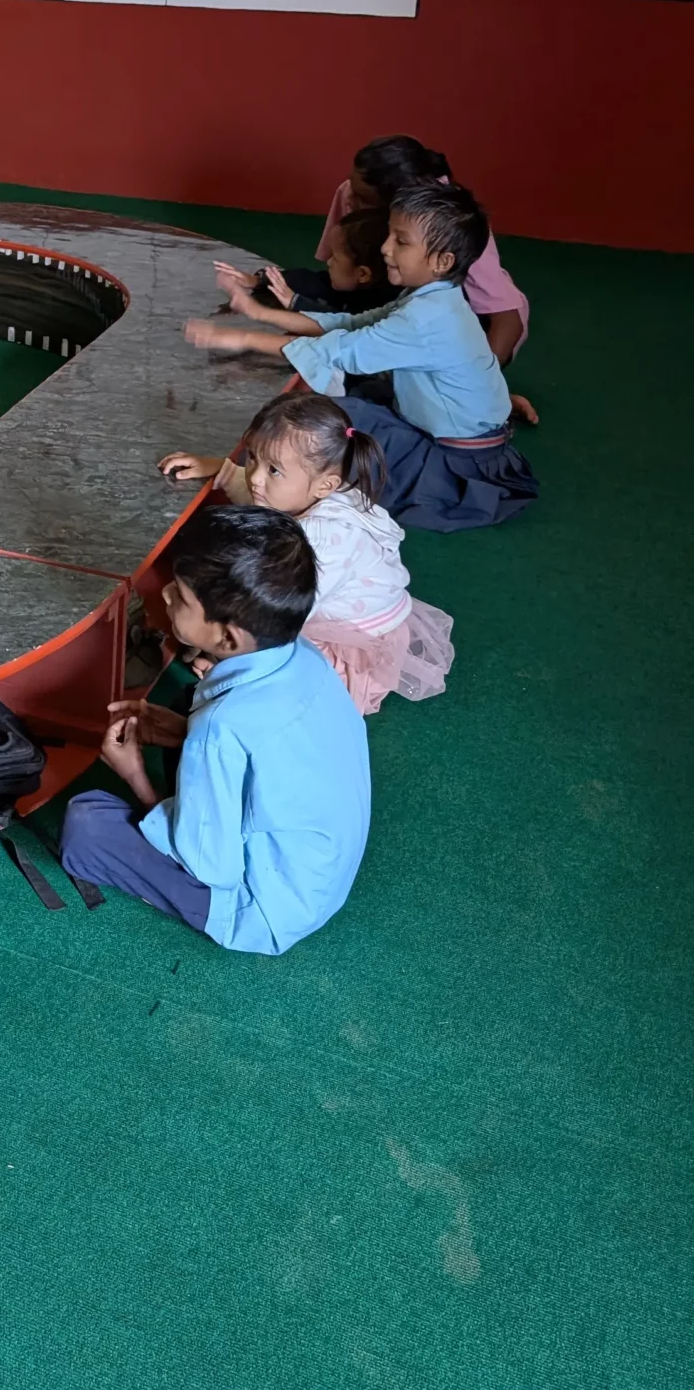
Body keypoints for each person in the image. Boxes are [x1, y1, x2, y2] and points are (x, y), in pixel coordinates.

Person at [60, 504, 369, 952]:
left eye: (181, 597)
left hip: (265, 912)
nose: (164, 594)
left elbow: (208, 865)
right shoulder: (305, 656)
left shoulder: (220, 730)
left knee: (86, 825)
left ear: (227, 639)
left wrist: (134, 775)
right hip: (319, 876)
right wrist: (188, 732)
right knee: (192, 709)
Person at [182, 182, 537, 531]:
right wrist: (260, 314)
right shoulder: (433, 297)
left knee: (331, 418)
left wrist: (238, 337)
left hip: (455, 467)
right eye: (389, 236)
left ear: (443, 261)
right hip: (468, 442)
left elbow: (338, 350)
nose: (384, 249)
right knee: (357, 396)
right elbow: (350, 324)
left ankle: (247, 477)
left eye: (401, 241)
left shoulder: (426, 317)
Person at [158, 391, 452, 714]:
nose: (255, 476)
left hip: (349, 640)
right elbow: (256, 487)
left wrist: (228, 654)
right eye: (252, 456)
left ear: (326, 486)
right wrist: (222, 470)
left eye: (274, 470)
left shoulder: (322, 541)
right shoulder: (302, 489)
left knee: (282, 690)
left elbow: (282, 618)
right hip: (335, 605)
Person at [317, 134, 529, 362]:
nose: (350, 201)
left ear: (400, 203)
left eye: (364, 199)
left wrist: (483, 381)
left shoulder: (449, 220)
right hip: (391, 298)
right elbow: (339, 267)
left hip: (481, 327)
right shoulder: (353, 190)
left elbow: (507, 317)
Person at [220, 202, 390, 319]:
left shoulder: (377, 311)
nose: (328, 262)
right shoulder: (346, 284)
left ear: (362, 273)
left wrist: (295, 302)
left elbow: (338, 323)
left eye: (336, 259)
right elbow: (308, 279)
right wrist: (258, 280)